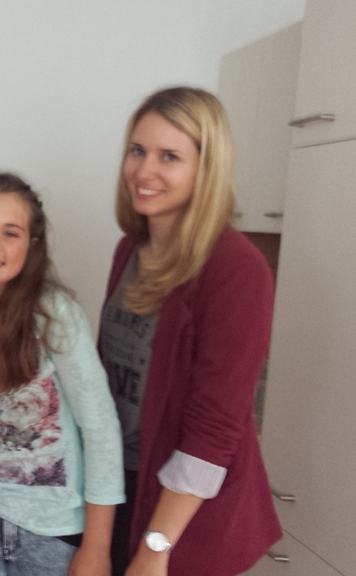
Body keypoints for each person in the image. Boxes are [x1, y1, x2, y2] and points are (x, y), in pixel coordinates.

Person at [100, 87, 281, 576]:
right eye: (137, 150)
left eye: (169, 157)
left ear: (206, 168)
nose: (144, 170)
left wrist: (156, 547)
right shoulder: (130, 250)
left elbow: (214, 429)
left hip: (183, 514)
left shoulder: (236, 268)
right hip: (122, 482)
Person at [0, 172, 124, 576]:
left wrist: (98, 546)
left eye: (10, 233)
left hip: (55, 529)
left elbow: (100, 429)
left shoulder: (53, 314)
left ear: (32, 245)